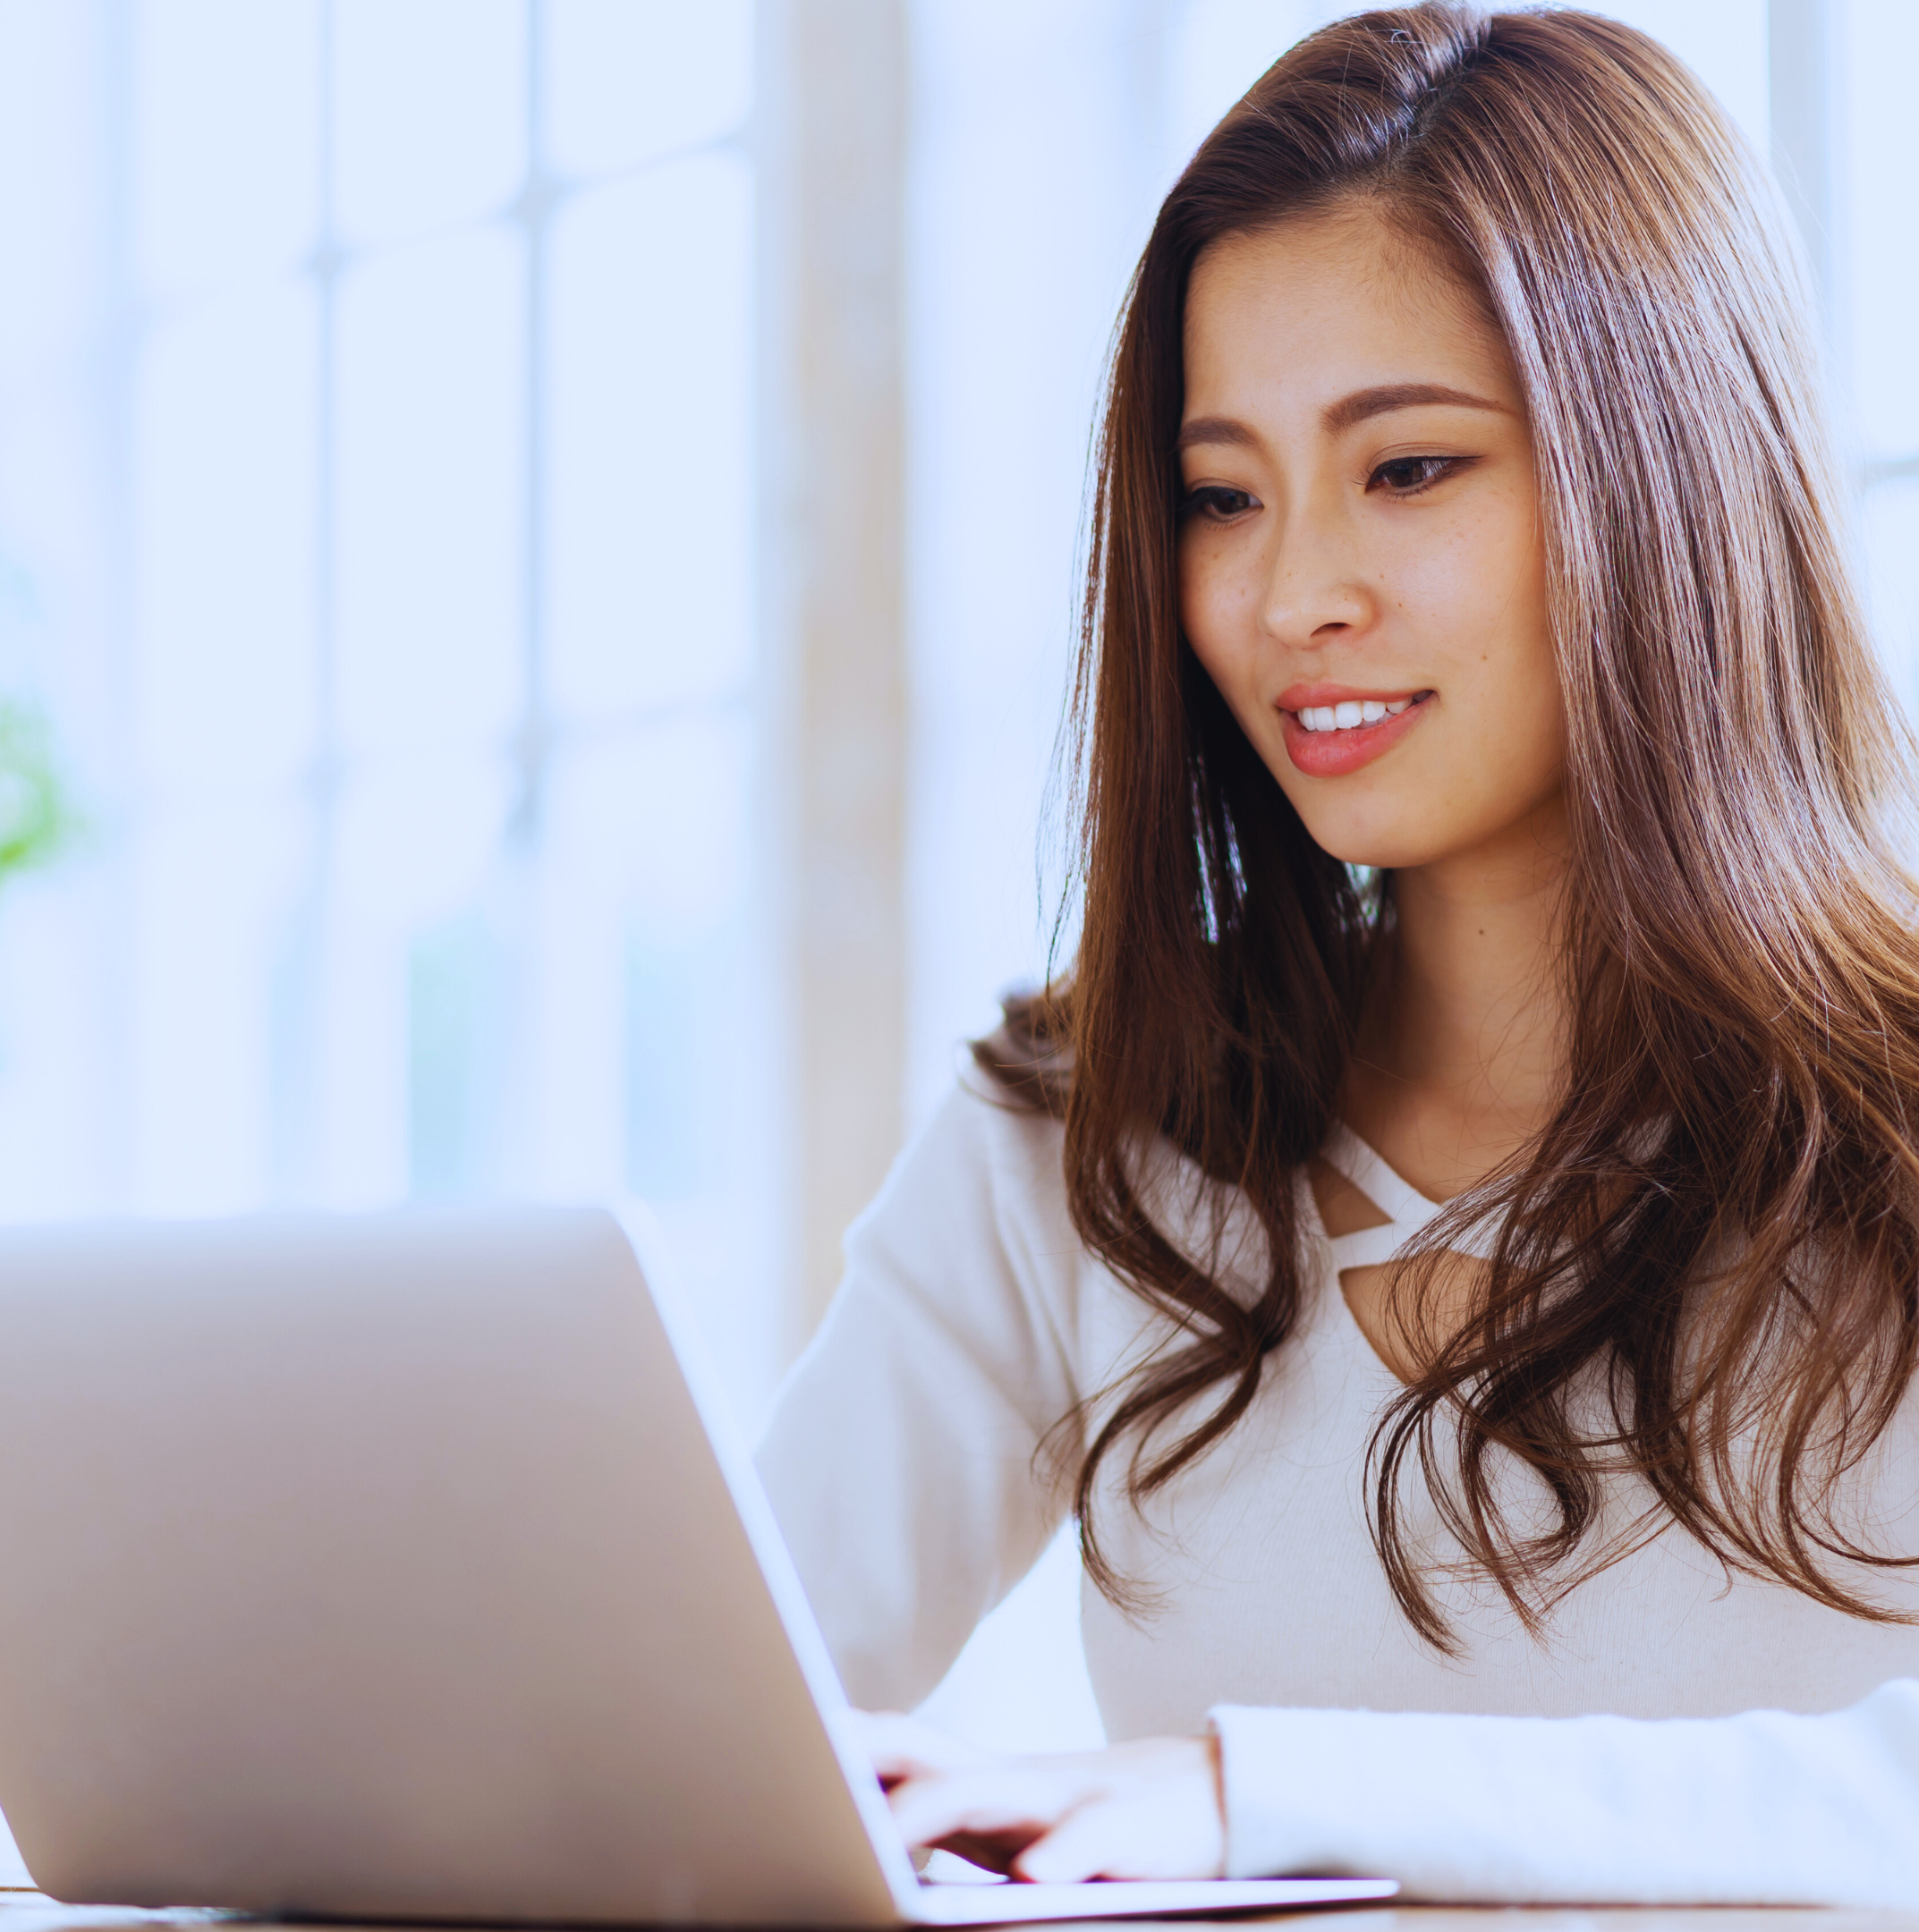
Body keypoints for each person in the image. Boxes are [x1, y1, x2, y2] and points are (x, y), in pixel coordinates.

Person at [759, 2, 1919, 1904]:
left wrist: (1261, 1792)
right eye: (1222, 497)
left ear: (1671, 476)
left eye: (1410, 468)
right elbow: (701, 1713)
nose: (1291, 595)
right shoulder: (1087, 1132)